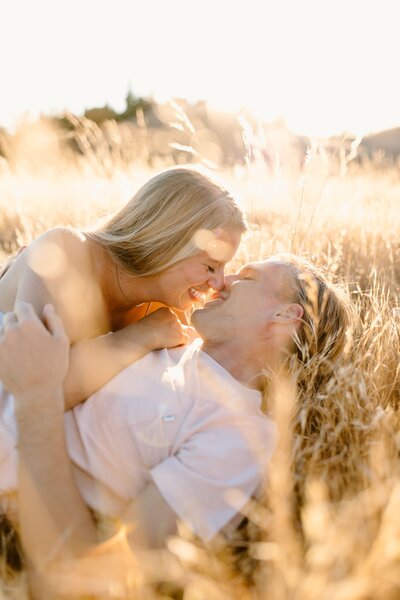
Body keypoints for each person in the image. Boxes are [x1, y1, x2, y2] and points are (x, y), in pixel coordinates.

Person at [0, 254, 353, 598]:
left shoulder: (241, 435)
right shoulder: (158, 328)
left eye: (247, 277)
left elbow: (97, 574)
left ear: (285, 314)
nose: (221, 282)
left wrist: (35, 400)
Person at [0, 165, 245, 408]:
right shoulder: (66, 256)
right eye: (211, 267)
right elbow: (31, 395)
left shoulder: (163, 308)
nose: (218, 282)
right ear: (168, 243)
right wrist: (140, 337)